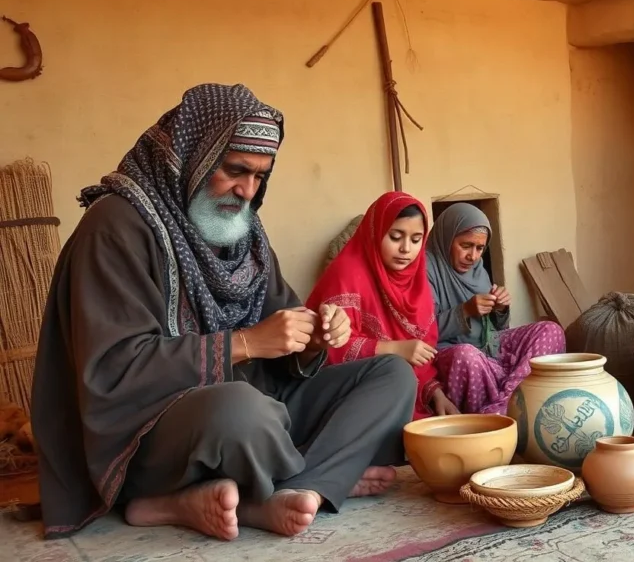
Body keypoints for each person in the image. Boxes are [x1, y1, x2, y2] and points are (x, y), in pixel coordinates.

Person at [30, 83, 417, 542]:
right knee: (241, 411)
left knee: (393, 376)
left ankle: (293, 486)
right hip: (154, 428)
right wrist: (246, 343)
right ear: (193, 155)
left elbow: (282, 327)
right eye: (236, 170)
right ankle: (320, 476)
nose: (247, 190)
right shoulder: (115, 226)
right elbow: (115, 368)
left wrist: (312, 338)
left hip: (258, 410)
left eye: (260, 176)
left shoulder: (241, 228)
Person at [305, 192, 454, 419]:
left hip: (404, 392)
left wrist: (435, 393)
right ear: (376, 232)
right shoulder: (347, 274)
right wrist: (394, 349)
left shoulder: (416, 280)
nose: (406, 249)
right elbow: (326, 348)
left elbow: (421, 351)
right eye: (395, 237)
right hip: (353, 397)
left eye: (416, 240)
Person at [425, 203, 565, 414]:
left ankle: (507, 401)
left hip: (488, 347)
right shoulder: (425, 270)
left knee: (550, 330)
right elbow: (421, 333)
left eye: (480, 248)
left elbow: (495, 329)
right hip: (450, 353)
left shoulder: (477, 270)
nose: (473, 256)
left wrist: (499, 309)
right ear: (446, 238)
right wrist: (465, 311)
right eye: (466, 245)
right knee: (466, 356)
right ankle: (507, 409)